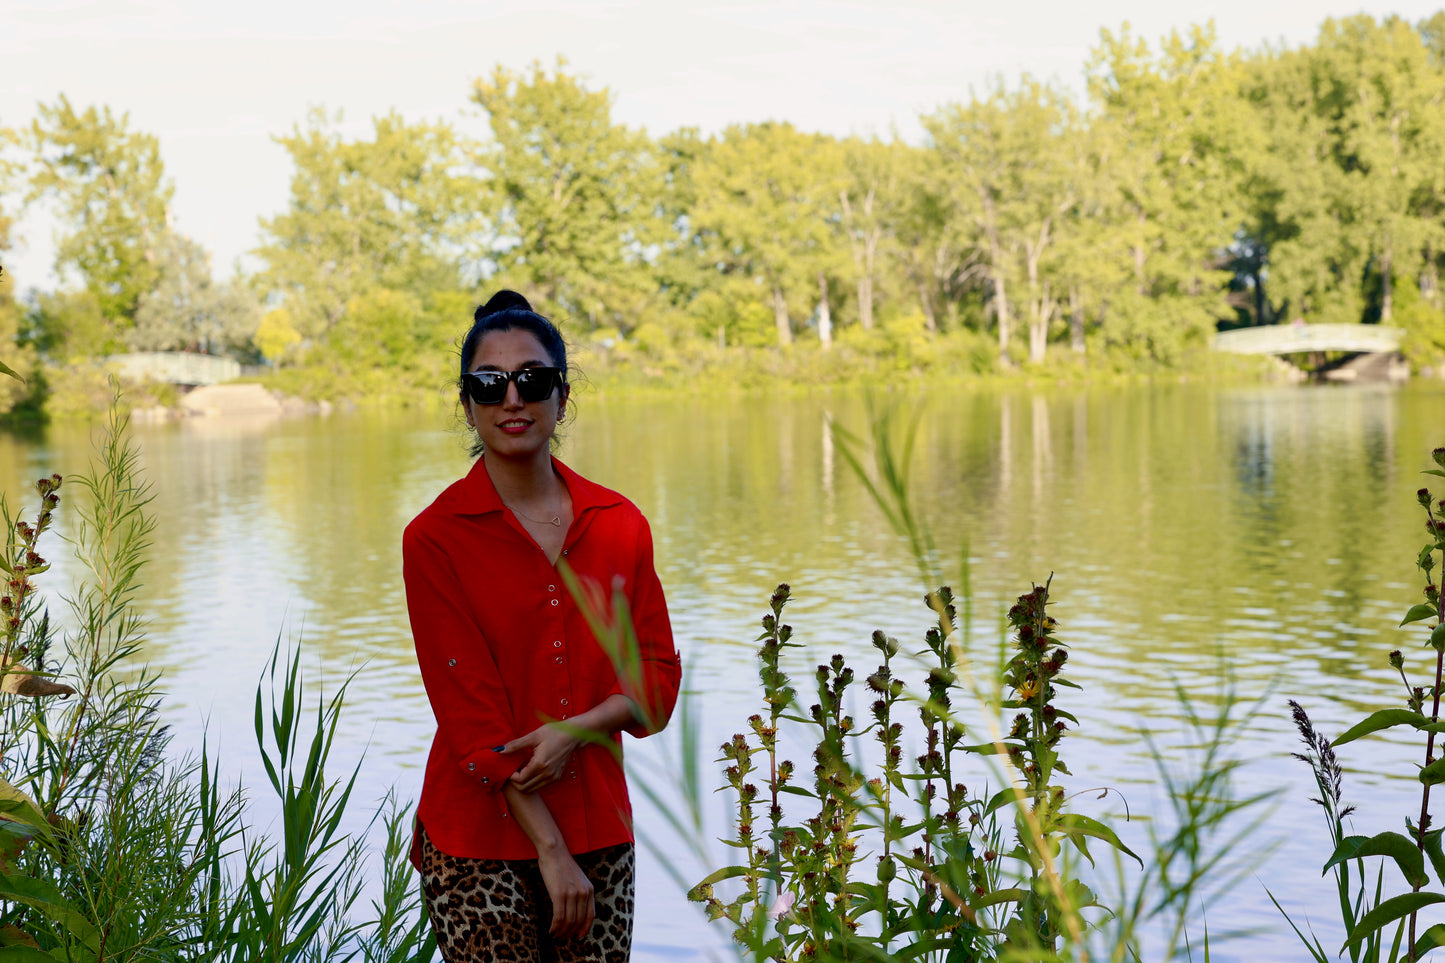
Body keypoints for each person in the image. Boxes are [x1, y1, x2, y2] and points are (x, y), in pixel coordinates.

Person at [403, 290, 682, 962]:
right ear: (467, 402)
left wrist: (576, 729)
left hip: (599, 830)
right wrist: (551, 851)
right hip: (478, 841)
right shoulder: (434, 538)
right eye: (488, 384)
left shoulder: (619, 523)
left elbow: (657, 682)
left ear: (561, 394)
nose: (512, 400)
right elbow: (474, 725)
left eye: (532, 380)